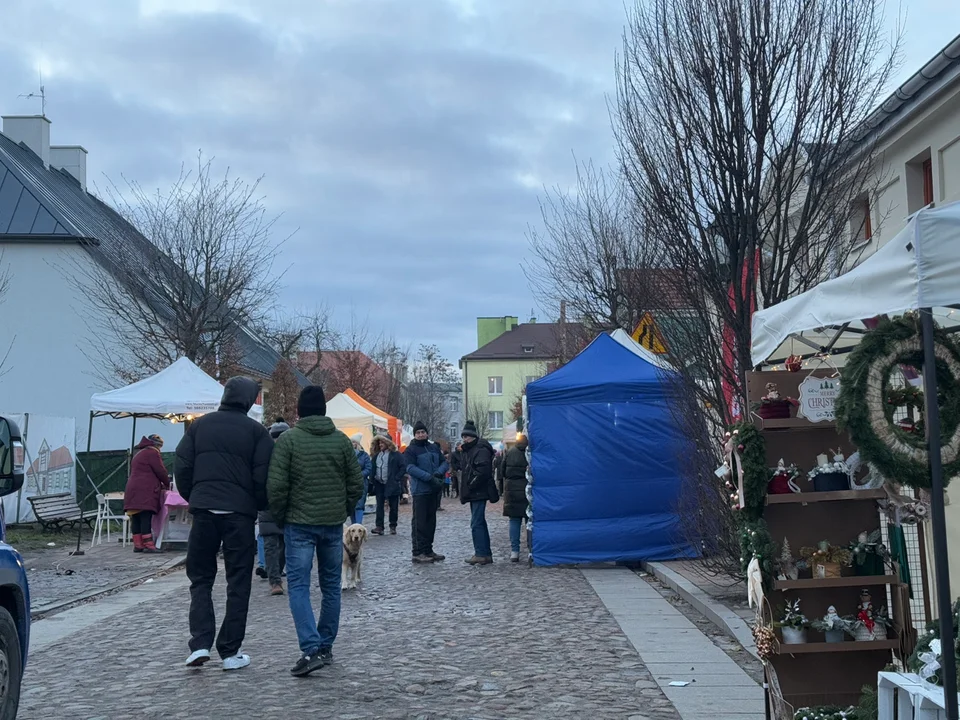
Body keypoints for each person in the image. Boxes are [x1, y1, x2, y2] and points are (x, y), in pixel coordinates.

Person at [176, 376, 274, 671]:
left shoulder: (198, 426)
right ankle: (230, 651)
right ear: (248, 400)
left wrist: (194, 496)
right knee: (238, 582)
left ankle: (200, 643)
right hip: (239, 515)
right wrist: (257, 505)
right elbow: (263, 477)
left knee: (201, 578)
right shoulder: (258, 433)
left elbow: (182, 465)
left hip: (204, 510)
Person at [267, 385, 364, 678]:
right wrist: (341, 510)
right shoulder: (341, 442)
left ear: (299, 411)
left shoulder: (288, 441)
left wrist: (282, 516)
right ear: (324, 409)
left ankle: (310, 649)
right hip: (332, 524)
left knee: (298, 586)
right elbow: (356, 484)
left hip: (299, 524)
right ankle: (326, 646)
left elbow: (276, 486)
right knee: (331, 586)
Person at [404, 421, 447, 564]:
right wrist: (428, 477)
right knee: (419, 522)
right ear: (415, 435)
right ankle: (417, 551)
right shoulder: (411, 450)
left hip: (432, 490)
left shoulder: (433, 447)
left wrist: (438, 473)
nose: (421, 435)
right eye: (418, 433)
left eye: (423, 432)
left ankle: (428, 549)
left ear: (427, 433)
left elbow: (444, 462)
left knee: (431, 521)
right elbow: (410, 468)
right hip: (420, 490)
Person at [124, 434, 170, 554]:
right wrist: (167, 483)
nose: (160, 449)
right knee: (145, 515)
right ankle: (149, 545)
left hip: (132, 488)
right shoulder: (152, 453)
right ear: (157, 445)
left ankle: (138, 545)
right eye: (160, 446)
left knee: (136, 517)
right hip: (144, 489)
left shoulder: (139, 453)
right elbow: (160, 470)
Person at [459, 420, 497, 565]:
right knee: (479, 522)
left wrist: (471, 485)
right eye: (463, 436)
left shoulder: (479, 449)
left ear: (473, 436)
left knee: (476, 523)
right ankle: (484, 552)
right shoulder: (473, 449)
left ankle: (481, 553)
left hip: (478, 491)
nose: (465, 439)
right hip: (476, 491)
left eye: (467, 436)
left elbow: (483, 471)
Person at [259, 420, 290, 595]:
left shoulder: (292, 453)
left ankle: (276, 575)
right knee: (271, 544)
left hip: (286, 504)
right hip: (268, 503)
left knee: (285, 544)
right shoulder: (264, 454)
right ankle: (275, 581)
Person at [500, 436, 530, 562]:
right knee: (530, 521)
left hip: (512, 491)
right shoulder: (532, 453)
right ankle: (532, 549)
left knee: (514, 521)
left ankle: (514, 551)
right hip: (529, 489)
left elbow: (502, 471)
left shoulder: (510, 452)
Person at [369, 435, 405, 535]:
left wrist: (396, 478)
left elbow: (403, 467)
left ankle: (393, 525)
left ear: (388, 443)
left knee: (393, 506)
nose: (380, 445)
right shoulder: (376, 456)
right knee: (379, 506)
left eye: (382, 442)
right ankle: (379, 526)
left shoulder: (396, 455)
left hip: (392, 484)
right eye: (379, 443)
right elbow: (372, 468)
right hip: (379, 484)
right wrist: (372, 479)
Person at [351, 433, 372, 525]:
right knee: (351, 505)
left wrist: (359, 475)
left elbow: (368, 469)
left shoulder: (364, 455)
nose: (352, 444)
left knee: (359, 505)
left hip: (361, 482)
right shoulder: (348, 455)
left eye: (353, 442)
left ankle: (358, 525)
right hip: (350, 483)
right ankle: (353, 526)